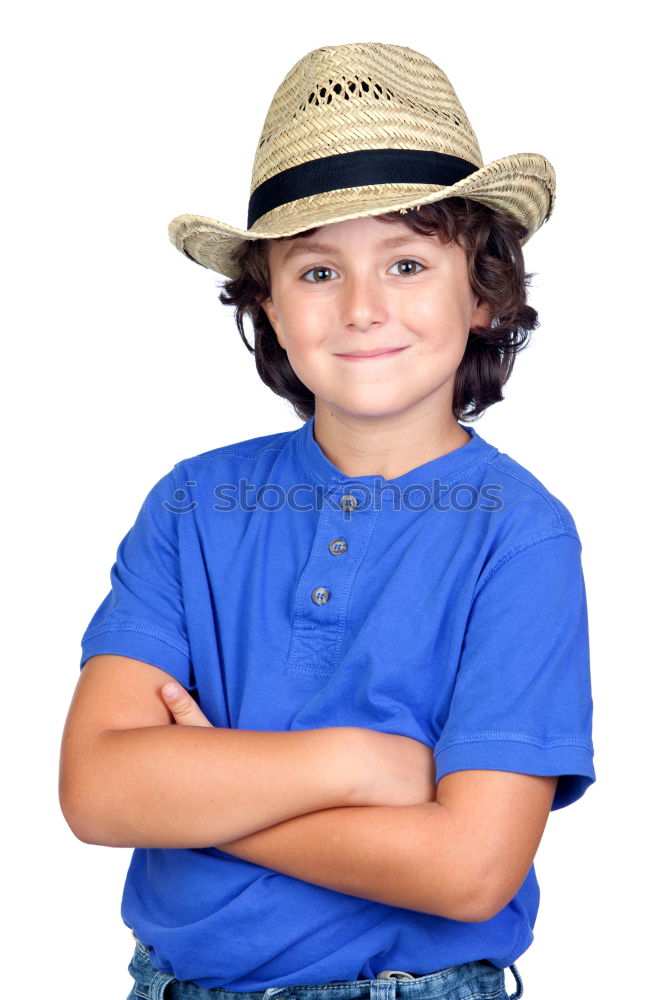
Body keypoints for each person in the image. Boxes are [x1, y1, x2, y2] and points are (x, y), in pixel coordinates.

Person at [59, 42, 595, 1000]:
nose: (362, 308)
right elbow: (99, 793)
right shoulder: (194, 505)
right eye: (316, 272)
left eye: (405, 260)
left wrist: (199, 793)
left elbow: (468, 872)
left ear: (481, 292)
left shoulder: (520, 535)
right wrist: (367, 764)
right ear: (264, 299)